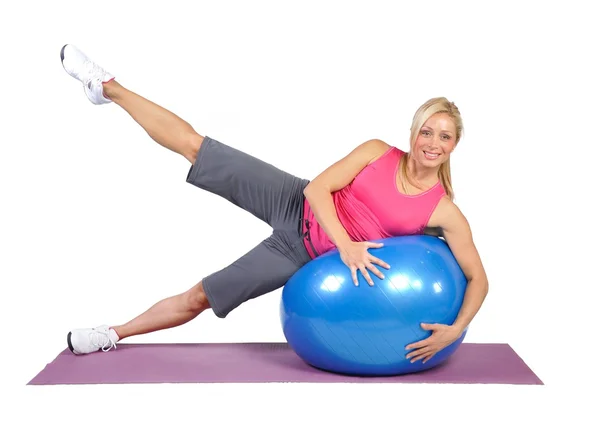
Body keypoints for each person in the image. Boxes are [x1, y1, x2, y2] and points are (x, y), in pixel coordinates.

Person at [60, 44, 489, 365]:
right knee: (197, 146)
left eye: (444, 137)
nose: (432, 143)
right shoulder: (377, 152)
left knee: (199, 297)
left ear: (455, 146)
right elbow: (317, 189)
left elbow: (478, 279)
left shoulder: (443, 212)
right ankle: (108, 87)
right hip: (293, 201)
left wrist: (454, 330)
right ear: (414, 132)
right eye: (427, 132)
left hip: (302, 255)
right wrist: (347, 244)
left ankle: (111, 332)